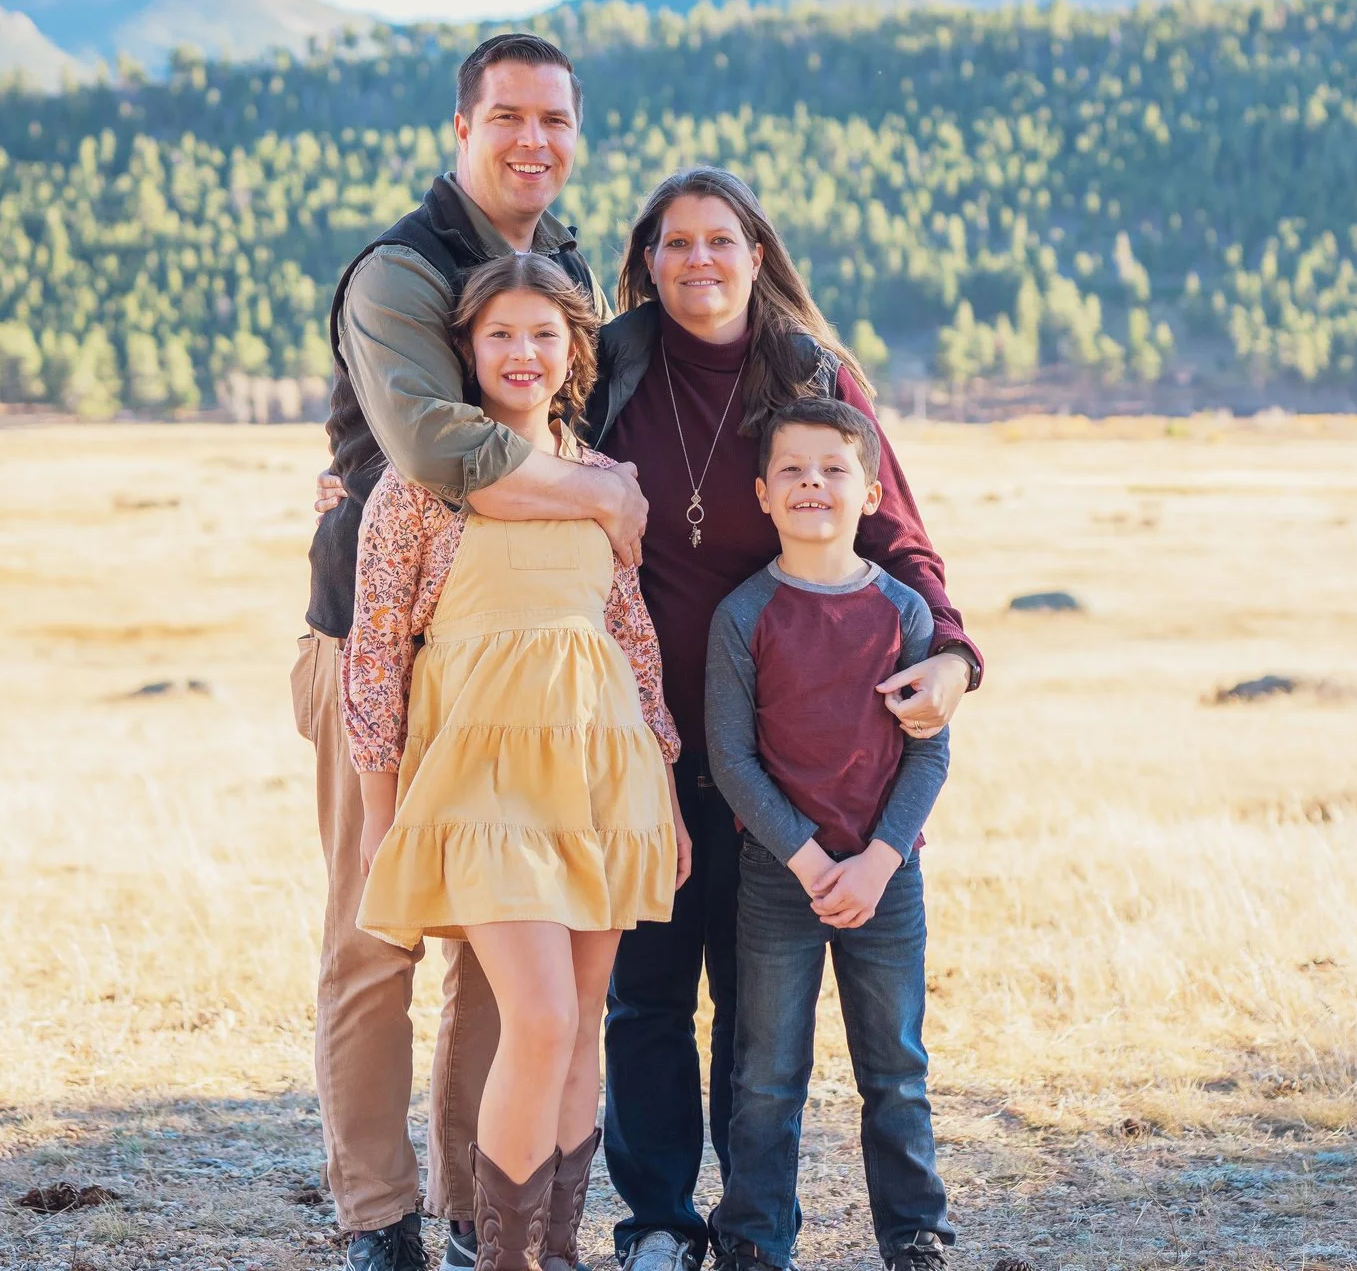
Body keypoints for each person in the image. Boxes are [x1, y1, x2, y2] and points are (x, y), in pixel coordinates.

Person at [581, 168, 982, 1271]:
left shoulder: (812, 370)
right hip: (642, 741)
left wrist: (951, 650)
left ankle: (751, 1221)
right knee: (649, 992)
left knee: (756, 1015)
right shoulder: (609, 366)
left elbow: (895, 530)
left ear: (758, 253)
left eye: (721, 241)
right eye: (674, 244)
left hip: (787, 764)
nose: (697, 262)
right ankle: (660, 1220)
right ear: (646, 260)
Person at [299, 32, 650, 1271]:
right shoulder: (396, 273)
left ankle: (473, 1211)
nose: (533, 141)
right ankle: (376, 1219)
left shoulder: (563, 266)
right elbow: (437, 450)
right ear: (463, 129)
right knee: (379, 932)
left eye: (555, 119)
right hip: (386, 648)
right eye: (507, 116)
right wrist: (596, 496)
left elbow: (560, 422)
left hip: (537, 674)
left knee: (506, 963)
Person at [345, 253, 692, 1271]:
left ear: (572, 350)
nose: (522, 353)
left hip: (603, 772)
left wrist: (663, 796)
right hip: (480, 779)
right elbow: (374, 662)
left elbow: (633, 641)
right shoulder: (419, 489)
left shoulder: (601, 485)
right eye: (499, 333)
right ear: (466, 348)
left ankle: (556, 1251)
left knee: (582, 1019)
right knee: (536, 1013)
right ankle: (498, 1260)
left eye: (543, 333)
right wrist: (378, 813)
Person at [702, 398, 953, 1271]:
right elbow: (732, 759)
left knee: (895, 1069)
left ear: (872, 492)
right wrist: (810, 861)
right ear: (763, 494)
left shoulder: (904, 614)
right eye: (794, 470)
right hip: (781, 878)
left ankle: (914, 1233)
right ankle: (754, 1239)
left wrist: (878, 863)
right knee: (767, 1075)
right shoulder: (743, 615)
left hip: (888, 879)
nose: (814, 483)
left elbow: (928, 759)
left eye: (834, 469)